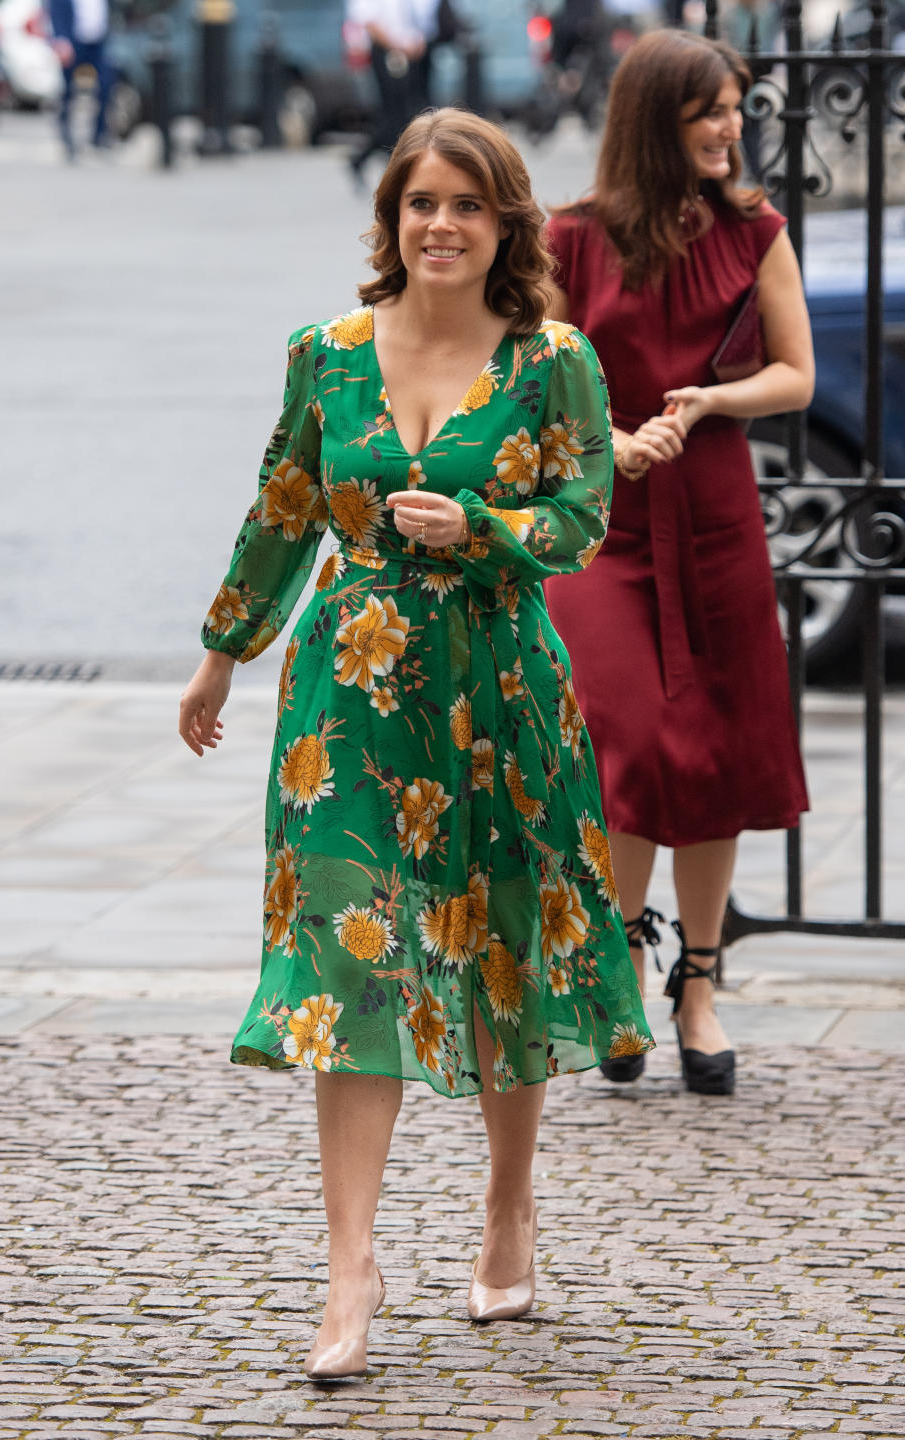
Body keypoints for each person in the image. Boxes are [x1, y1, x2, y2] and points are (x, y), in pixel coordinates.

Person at [179, 107, 653, 1379]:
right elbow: (285, 502)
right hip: (349, 700)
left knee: (507, 941)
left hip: (501, 694)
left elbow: (583, 515)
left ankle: (506, 1213)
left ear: (506, 223)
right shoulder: (327, 354)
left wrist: (486, 532)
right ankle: (352, 1272)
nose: (439, 224)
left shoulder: (553, 359)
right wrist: (225, 650)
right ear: (390, 218)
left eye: (465, 204)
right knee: (352, 961)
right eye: (419, 203)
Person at [544, 29, 813, 1097]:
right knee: (633, 742)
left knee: (717, 753)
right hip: (606, 524)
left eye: (736, 108)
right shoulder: (572, 237)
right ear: (656, 118)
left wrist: (710, 400)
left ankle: (696, 986)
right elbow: (537, 372)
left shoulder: (754, 232)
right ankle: (618, 965)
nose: (730, 126)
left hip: (713, 513)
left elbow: (792, 374)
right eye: (710, 109)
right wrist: (607, 439)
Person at [346, 0, 438, 184]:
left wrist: (419, 41)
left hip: (414, 53)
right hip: (388, 53)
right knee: (395, 113)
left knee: (414, 111)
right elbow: (368, 21)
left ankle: (381, 162)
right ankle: (389, 163)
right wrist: (398, 45)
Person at [48, 0, 113, 158]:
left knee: (106, 85)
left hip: (98, 42)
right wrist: (61, 39)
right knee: (69, 91)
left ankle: (99, 135)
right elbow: (56, 9)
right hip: (73, 40)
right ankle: (66, 134)